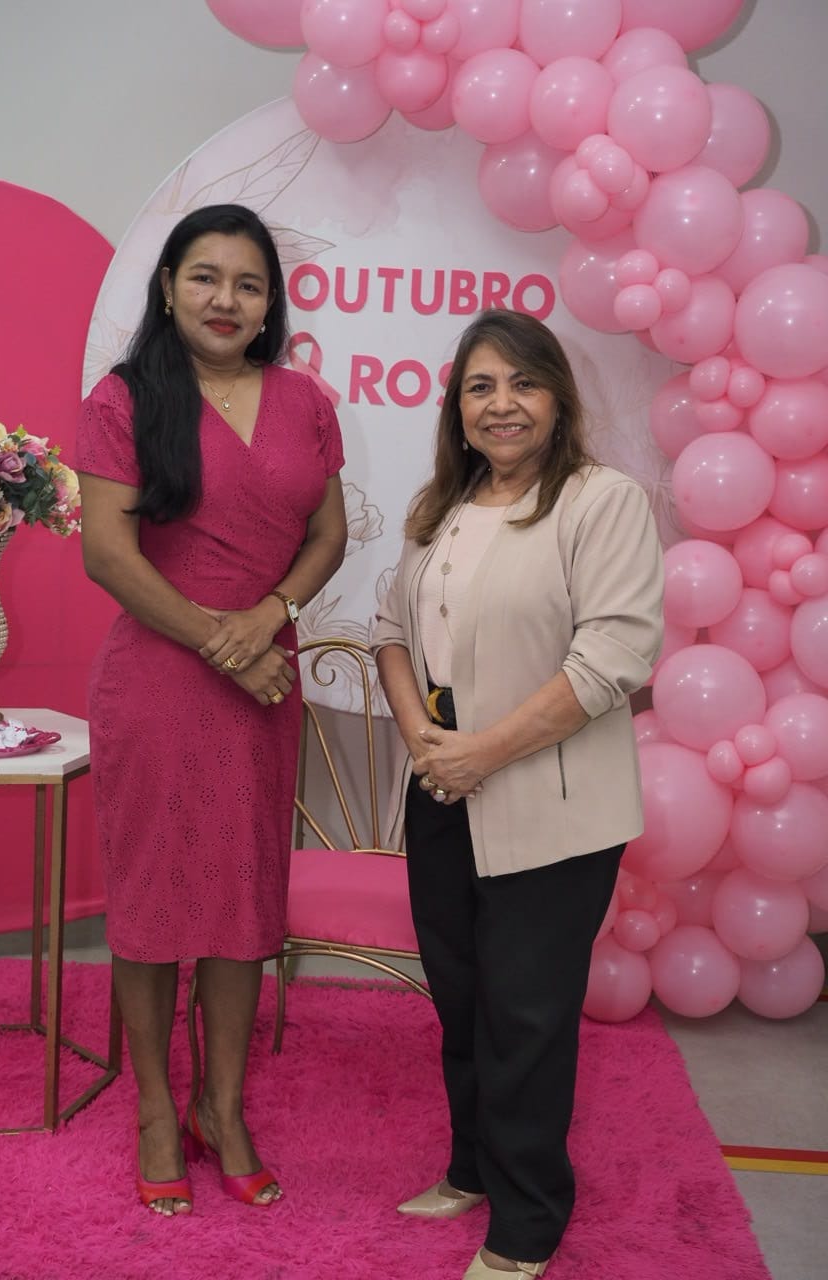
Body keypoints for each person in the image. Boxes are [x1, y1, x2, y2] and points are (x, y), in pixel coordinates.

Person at [372, 310, 663, 1278]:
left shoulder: (600, 499)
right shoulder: (440, 508)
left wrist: (480, 754)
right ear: (456, 409)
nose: (502, 404)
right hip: (442, 783)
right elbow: (389, 631)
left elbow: (612, 656)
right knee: (463, 1001)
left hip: (553, 802)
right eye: (480, 387)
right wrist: (423, 737)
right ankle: (473, 1166)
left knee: (526, 1017)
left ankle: (528, 1220)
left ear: (558, 398)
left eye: (522, 383)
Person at [76, 203, 347, 1216]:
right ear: (168, 286)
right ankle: (157, 1109)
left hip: (262, 681)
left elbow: (327, 533)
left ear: (270, 302)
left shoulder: (304, 399)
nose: (225, 299)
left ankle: (221, 1109)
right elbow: (109, 555)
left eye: (247, 283)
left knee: (242, 906)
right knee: (152, 907)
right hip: (158, 683)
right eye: (205, 276)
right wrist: (222, 644)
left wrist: (269, 618)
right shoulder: (122, 400)